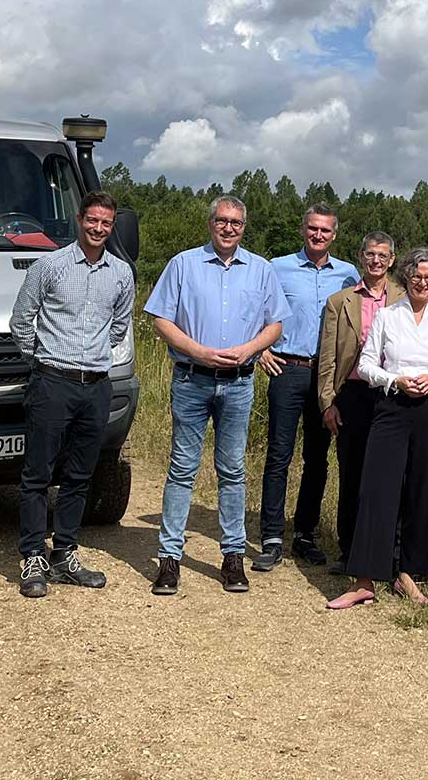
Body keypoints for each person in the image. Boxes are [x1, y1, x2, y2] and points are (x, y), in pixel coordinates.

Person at [144, 195, 290, 595]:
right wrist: (198, 351)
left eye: (237, 223)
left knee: (232, 471)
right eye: (222, 221)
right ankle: (169, 560)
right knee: (182, 469)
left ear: (244, 227)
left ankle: (232, 559)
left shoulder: (260, 270)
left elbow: (275, 323)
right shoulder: (183, 264)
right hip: (192, 379)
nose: (229, 228)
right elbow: (160, 317)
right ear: (211, 223)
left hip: (240, 382)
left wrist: (251, 349)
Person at [9, 190, 135, 599]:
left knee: (80, 476)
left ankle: (64, 552)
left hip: (96, 386)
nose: (98, 229)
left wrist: (91, 358)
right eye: (92, 220)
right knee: (37, 476)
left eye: (106, 223)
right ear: (79, 220)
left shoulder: (120, 273)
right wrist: (45, 362)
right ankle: (32, 555)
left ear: (111, 226)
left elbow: (119, 326)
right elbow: (21, 320)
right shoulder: (50, 266)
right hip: (52, 383)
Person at [327, 248, 428, 609]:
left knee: (422, 491)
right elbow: (368, 364)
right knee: (377, 490)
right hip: (391, 406)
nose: (422, 282)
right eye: (416, 276)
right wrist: (395, 380)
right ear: (405, 277)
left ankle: (408, 575)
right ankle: (364, 581)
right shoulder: (388, 316)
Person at [253, 205, 361, 572]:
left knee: (317, 459)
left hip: (328, 377)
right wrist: (260, 349)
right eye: (313, 229)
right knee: (278, 454)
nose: (318, 235)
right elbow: (254, 308)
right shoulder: (277, 267)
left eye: (325, 231)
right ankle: (271, 536)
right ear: (303, 230)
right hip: (288, 368)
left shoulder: (349, 275)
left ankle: (304, 534)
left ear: (334, 235)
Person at [315, 233, 403, 576]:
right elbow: (328, 357)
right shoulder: (341, 301)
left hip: (392, 395)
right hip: (352, 394)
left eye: (383, 255)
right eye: (370, 254)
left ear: (392, 259)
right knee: (352, 476)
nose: (376, 261)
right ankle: (349, 551)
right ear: (360, 257)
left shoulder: (404, 297)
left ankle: (391, 556)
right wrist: (327, 403)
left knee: (391, 478)